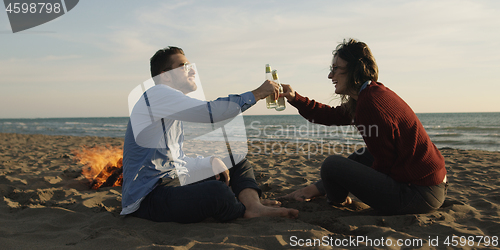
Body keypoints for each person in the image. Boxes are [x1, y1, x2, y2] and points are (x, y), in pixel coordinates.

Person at [121, 46, 299, 223]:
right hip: (147, 199)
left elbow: (177, 159)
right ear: (165, 75)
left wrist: (209, 161)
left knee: (237, 161)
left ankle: (254, 206)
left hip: (172, 182)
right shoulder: (157, 94)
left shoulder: (168, 105)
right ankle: (242, 206)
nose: (192, 70)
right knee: (216, 192)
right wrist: (258, 93)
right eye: (184, 66)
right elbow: (211, 113)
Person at [280, 39, 447, 215]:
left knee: (332, 165)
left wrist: (349, 182)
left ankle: (336, 200)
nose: (330, 76)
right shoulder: (370, 94)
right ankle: (315, 190)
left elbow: (385, 165)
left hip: (417, 194)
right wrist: (293, 97)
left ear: (354, 69)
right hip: (431, 186)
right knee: (362, 156)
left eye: (335, 68)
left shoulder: (370, 104)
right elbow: (329, 115)